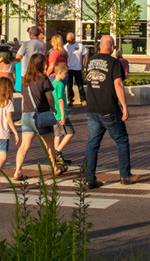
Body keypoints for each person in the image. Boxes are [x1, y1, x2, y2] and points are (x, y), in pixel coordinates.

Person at [83, 34, 135, 188]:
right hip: (109, 109)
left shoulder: (91, 61)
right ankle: (125, 175)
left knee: (92, 144)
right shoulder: (114, 62)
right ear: (112, 47)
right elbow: (118, 84)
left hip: (92, 108)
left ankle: (88, 178)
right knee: (121, 140)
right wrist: (124, 106)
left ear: (100, 46)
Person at [13, 53, 63, 180]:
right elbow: (50, 97)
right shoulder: (43, 79)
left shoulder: (25, 80)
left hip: (27, 115)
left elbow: (24, 99)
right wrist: (53, 108)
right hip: (42, 115)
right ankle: (55, 168)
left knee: (24, 145)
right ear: (40, 64)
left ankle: (17, 170)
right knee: (49, 145)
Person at [51, 62, 74, 166]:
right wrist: (63, 115)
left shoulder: (52, 84)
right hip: (60, 114)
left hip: (54, 114)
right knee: (70, 133)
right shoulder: (60, 85)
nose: (67, 75)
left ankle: (56, 156)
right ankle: (57, 151)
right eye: (66, 73)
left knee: (57, 135)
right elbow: (60, 100)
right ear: (60, 72)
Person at [64, 32, 86, 106]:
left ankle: (83, 99)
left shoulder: (80, 45)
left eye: (69, 39)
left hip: (78, 68)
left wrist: (83, 67)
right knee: (69, 85)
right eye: (67, 40)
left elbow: (83, 56)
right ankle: (70, 99)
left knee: (80, 84)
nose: (68, 41)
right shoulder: (65, 47)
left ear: (73, 38)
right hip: (69, 68)